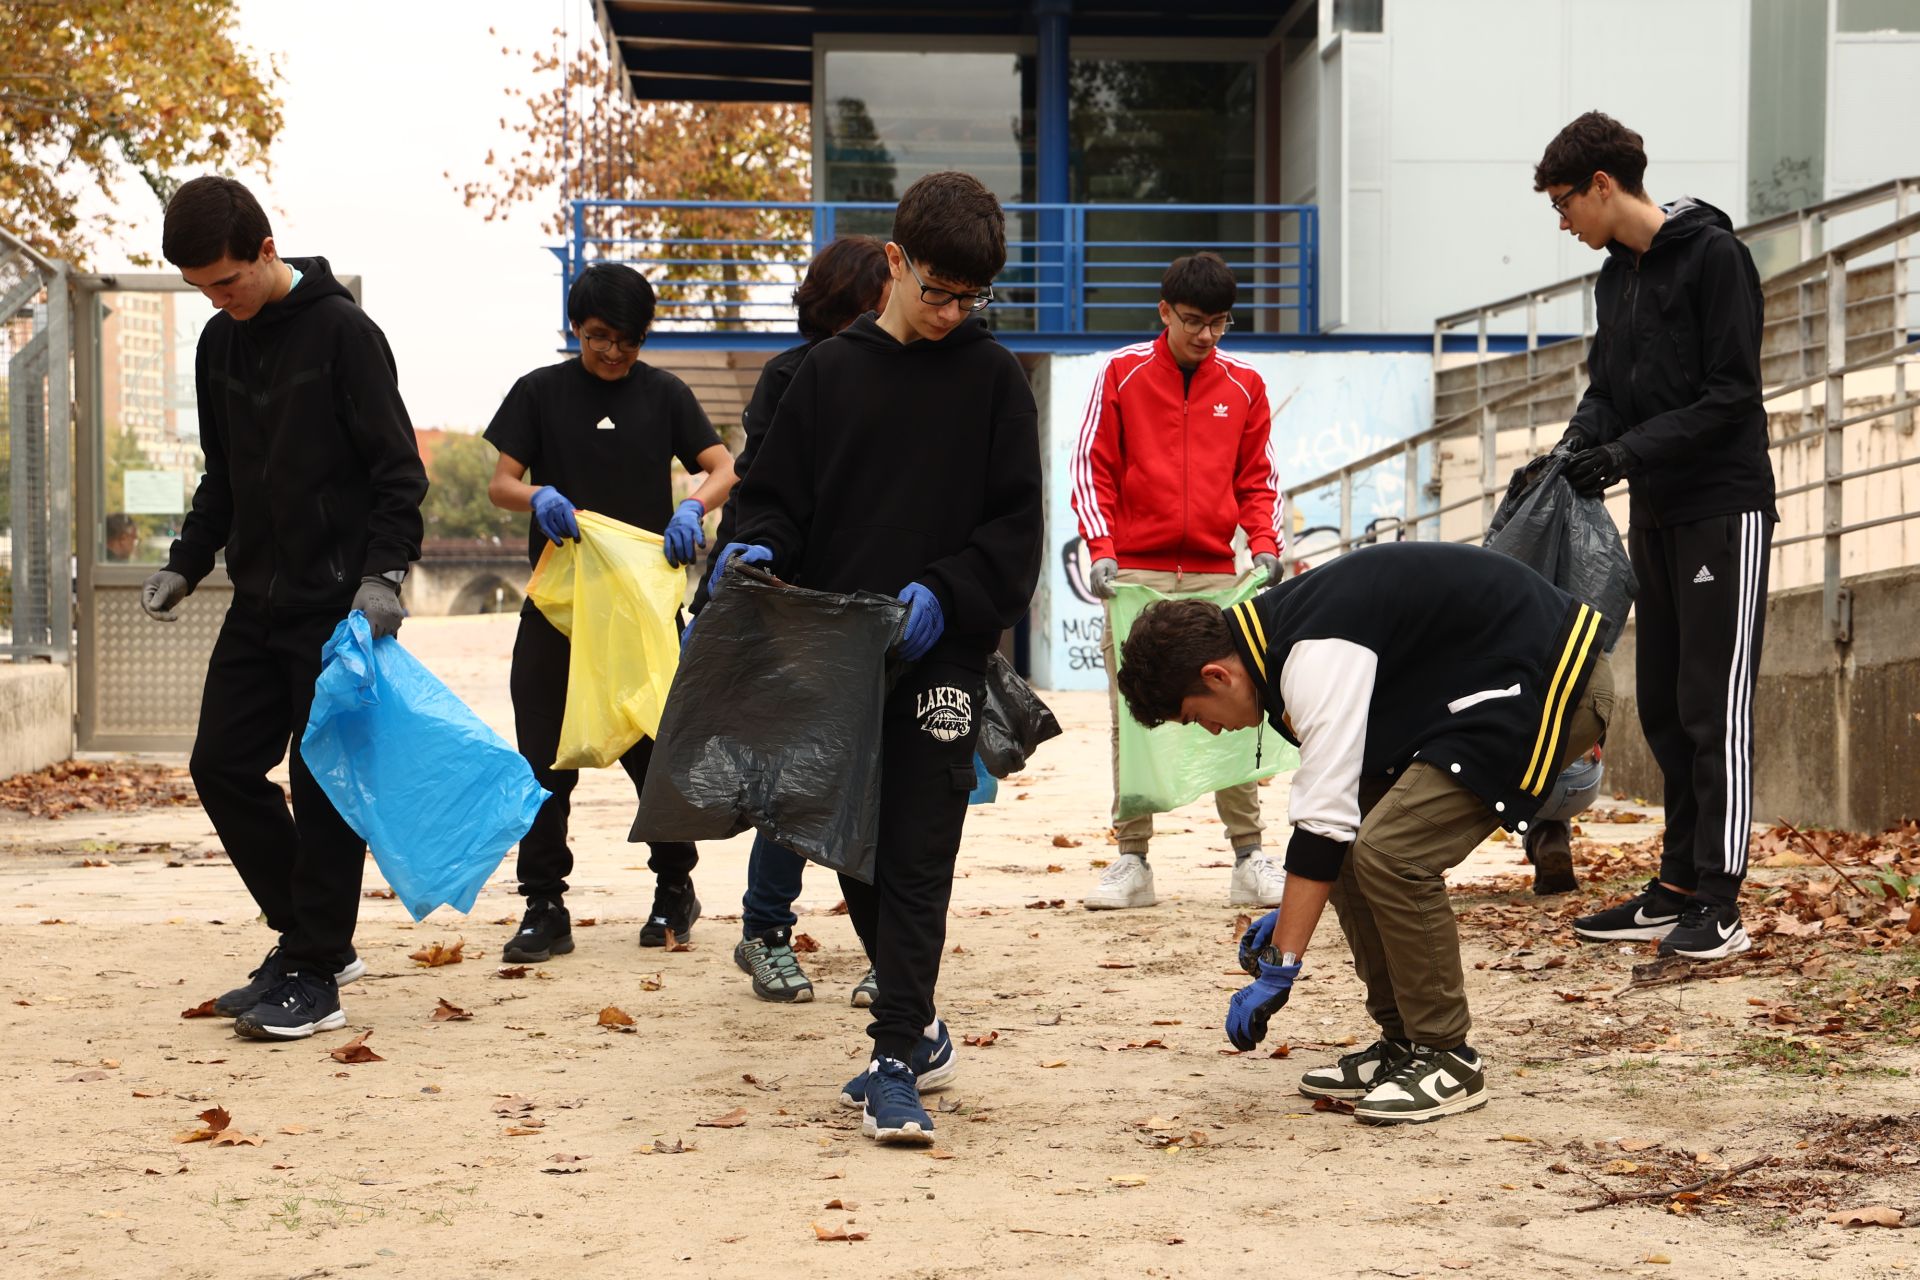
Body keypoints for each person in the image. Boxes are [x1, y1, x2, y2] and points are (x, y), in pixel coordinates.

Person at [708, 171, 1042, 1145]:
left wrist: (950, 590)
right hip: (832, 649)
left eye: (967, 299)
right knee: (844, 841)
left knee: (919, 852)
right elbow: (773, 495)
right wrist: (760, 543)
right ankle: (919, 1023)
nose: (949, 313)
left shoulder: (993, 380)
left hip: (941, 651)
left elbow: (1015, 525)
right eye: (935, 290)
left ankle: (894, 1051)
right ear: (893, 262)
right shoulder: (827, 375)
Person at [1115, 542, 1611, 1125]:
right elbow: (1331, 826)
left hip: (1551, 679)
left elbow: (1321, 821)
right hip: (1473, 688)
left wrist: (1283, 963)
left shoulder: (1314, 655)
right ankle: (1404, 1044)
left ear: (1214, 674)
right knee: (1355, 849)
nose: (1215, 731)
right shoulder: (1277, 641)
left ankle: (1448, 1056)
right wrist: (1295, 911)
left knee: (1392, 852)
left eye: (1198, 716)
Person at [143, 176, 427, 1039]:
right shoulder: (218, 345)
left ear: (267, 251)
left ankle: (315, 970)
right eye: (201, 289)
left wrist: (384, 579)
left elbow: (397, 473)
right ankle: (310, 940)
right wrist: (188, 562)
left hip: (336, 609)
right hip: (256, 601)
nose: (218, 301)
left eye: (226, 282)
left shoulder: (343, 334)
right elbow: (223, 475)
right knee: (220, 768)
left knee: (322, 784)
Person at [1535, 112, 1774, 960]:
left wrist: (1626, 452)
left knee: (1716, 707)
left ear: (1604, 185)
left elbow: (1732, 396)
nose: (1561, 221)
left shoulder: (1714, 258)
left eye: (1565, 202)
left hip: (1724, 508)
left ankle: (1721, 899)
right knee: (1669, 706)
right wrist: (1573, 449)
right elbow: (1611, 390)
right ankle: (1674, 888)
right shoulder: (1615, 279)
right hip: (1660, 511)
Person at [484, 263, 736, 964]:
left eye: (628, 340)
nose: (614, 353)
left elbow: (723, 467)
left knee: (655, 751)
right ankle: (544, 905)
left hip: (641, 610)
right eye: (600, 338)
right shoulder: (539, 393)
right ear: (577, 329)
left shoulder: (665, 395)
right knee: (542, 760)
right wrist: (536, 497)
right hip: (558, 607)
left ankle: (673, 888)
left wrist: (693, 505)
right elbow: (501, 481)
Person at [686, 236, 892, 1006]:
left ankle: (886, 946)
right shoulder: (790, 376)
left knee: (875, 785)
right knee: (799, 781)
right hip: (800, 606)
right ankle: (765, 931)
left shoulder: (908, 373)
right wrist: (724, 591)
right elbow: (763, 490)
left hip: (877, 608)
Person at [1070, 251, 1286, 911]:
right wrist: (1100, 545)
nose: (1206, 336)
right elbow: (1092, 466)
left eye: (1220, 323)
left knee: (1240, 707)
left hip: (1219, 579)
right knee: (1132, 721)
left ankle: (1249, 856)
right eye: (1194, 321)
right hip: (1134, 573)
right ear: (1164, 312)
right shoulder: (1122, 373)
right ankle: (1132, 860)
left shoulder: (1245, 385)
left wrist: (1267, 544)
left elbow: (1259, 479)